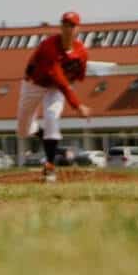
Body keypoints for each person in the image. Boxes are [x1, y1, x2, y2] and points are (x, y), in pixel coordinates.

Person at [16, 11, 91, 183]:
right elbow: (58, 77)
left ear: (78, 29)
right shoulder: (50, 46)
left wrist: (71, 93)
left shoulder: (81, 51)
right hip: (34, 84)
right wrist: (77, 105)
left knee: (52, 117)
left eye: (72, 25)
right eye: (66, 24)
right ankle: (42, 134)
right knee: (23, 131)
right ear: (61, 27)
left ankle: (50, 166)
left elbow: (76, 77)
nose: (69, 28)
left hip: (56, 88)